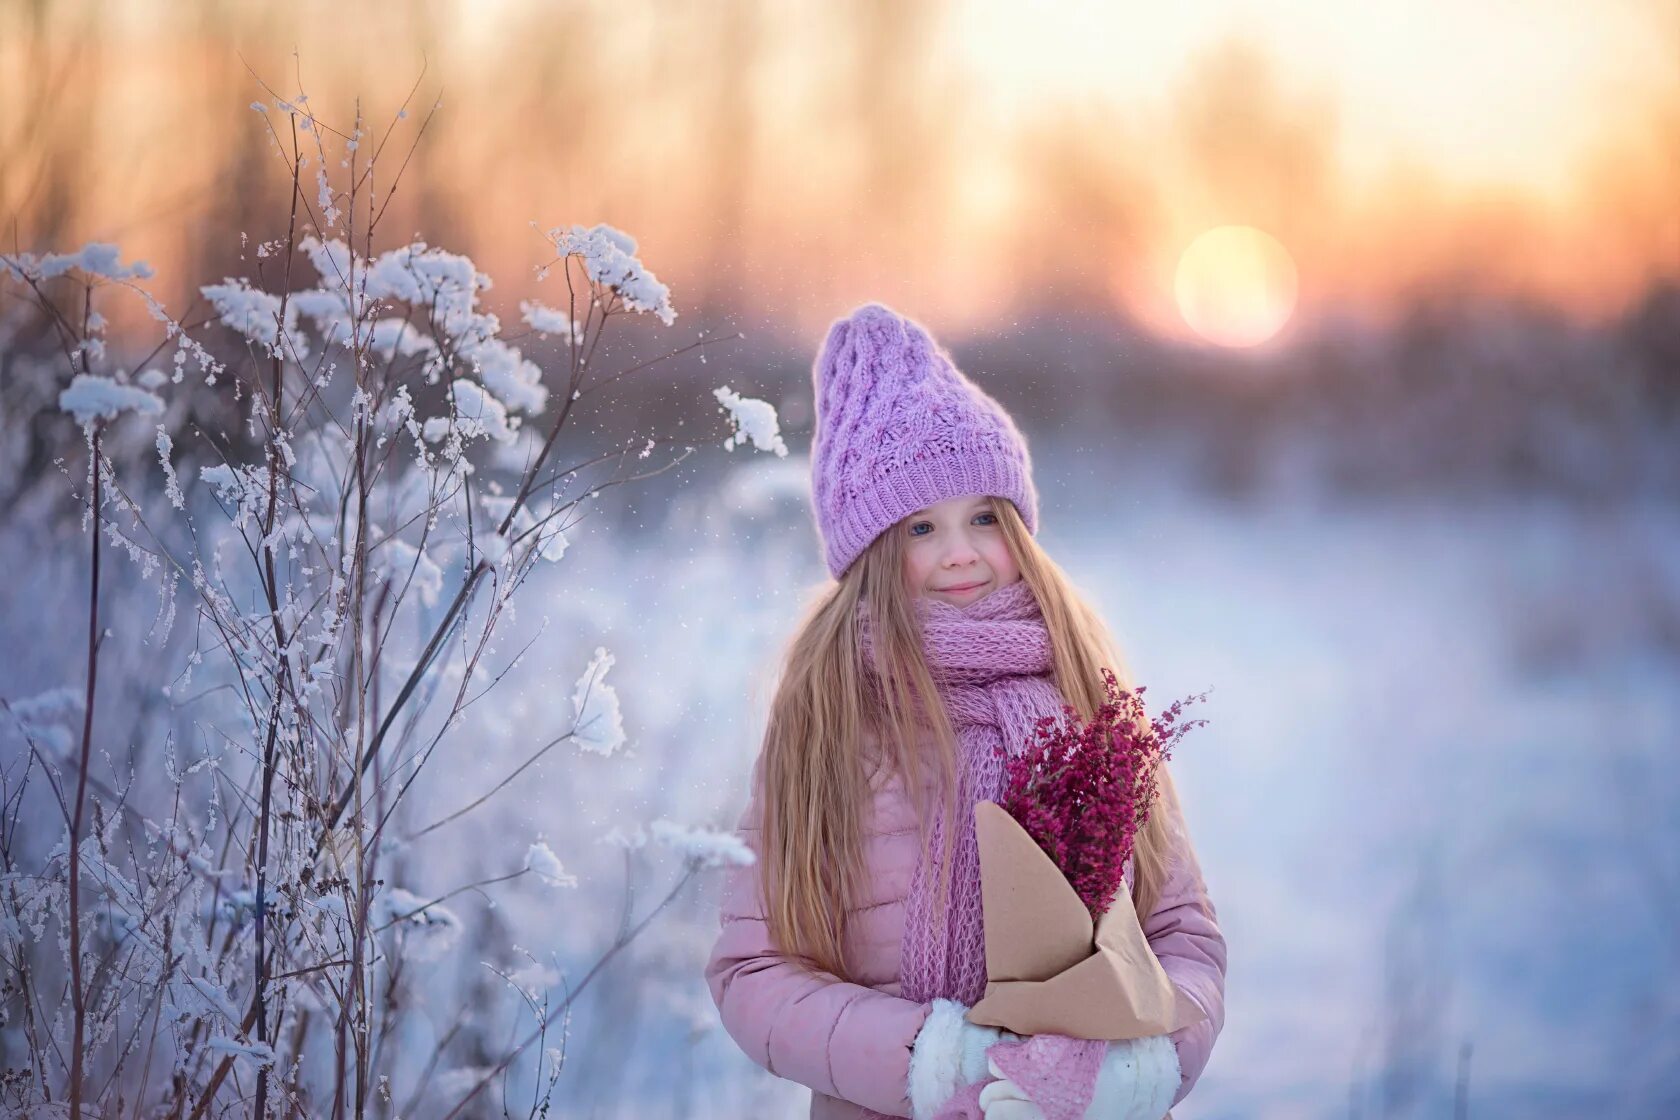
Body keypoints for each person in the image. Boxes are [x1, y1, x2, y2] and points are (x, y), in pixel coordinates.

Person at [704, 303, 1226, 1120]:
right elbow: (754, 971)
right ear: (873, 553)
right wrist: (938, 1066)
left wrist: (1138, 1070)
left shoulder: (1084, 693)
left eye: (984, 516)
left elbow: (1183, 935)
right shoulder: (832, 716)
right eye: (921, 527)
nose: (960, 552)